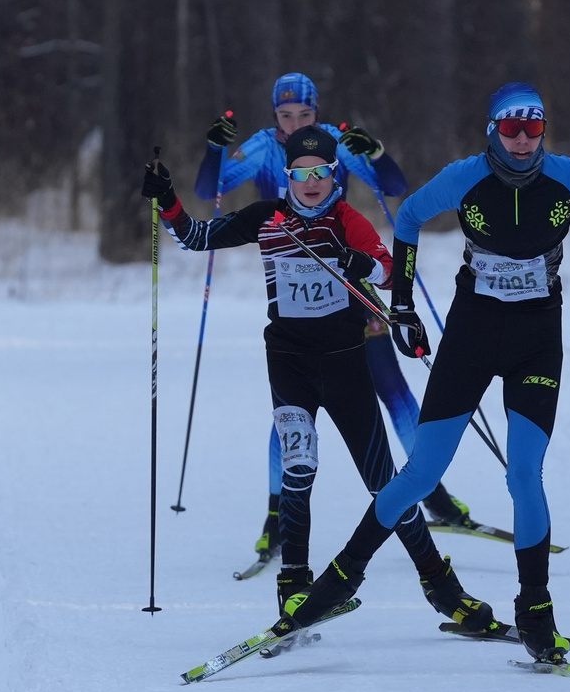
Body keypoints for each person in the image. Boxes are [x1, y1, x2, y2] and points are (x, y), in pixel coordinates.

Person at [271, 83, 570, 664]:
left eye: (533, 128)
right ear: (491, 130)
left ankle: (536, 611)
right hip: (471, 334)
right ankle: (336, 585)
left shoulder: (568, 175)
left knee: (524, 475)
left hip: (536, 341)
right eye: (510, 129)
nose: (522, 140)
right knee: (420, 475)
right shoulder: (465, 176)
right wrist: (405, 308)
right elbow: (411, 216)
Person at [142, 127, 503, 631]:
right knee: (299, 464)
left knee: (385, 486)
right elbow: (197, 238)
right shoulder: (267, 217)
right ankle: (293, 589)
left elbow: (391, 272)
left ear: (334, 173)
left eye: (321, 172)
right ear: (287, 174)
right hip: (288, 362)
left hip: (345, 363)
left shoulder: (345, 220)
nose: (311, 182)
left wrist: (364, 265)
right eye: (301, 173)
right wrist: (167, 202)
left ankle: (442, 589)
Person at [193, 71, 490, 569]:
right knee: (292, 408)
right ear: (274, 117)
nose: (294, 125)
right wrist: (213, 150)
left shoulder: (334, 144)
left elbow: (394, 186)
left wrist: (375, 153)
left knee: (393, 388)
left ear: (317, 112)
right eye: (285, 116)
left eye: (303, 115)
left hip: (351, 280)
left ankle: (431, 491)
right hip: (294, 294)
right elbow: (209, 190)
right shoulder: (266, 148)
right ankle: (277, 515)